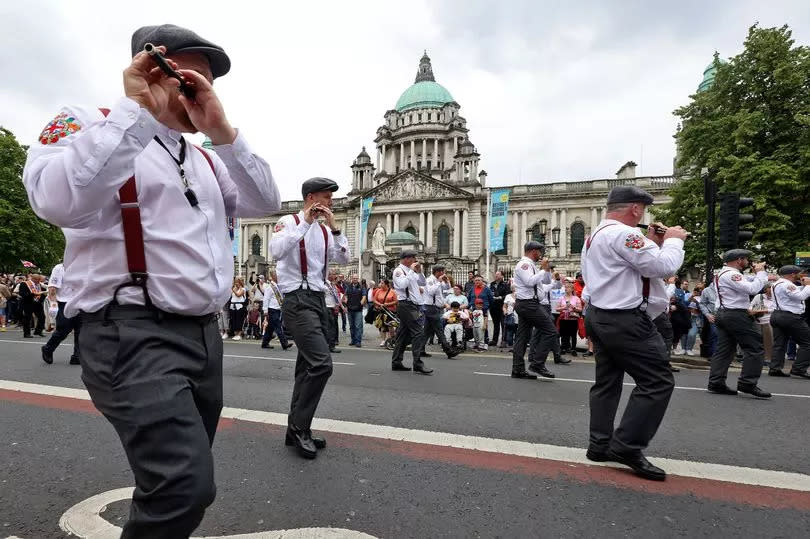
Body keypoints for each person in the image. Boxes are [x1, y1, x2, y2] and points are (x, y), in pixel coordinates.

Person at [23, 23, 280, 536]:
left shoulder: (206, 156)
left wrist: (223, 131)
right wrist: (137, 111)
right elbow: (54, 200)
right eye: (186, 76)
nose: (198, 89)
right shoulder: (88, 123)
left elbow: (266, 203)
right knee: (184, 485)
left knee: (173, 481)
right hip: (130, 333)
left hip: (204, 337)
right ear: (150, 65)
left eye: (207, 82)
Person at [581, 185, 686, 481]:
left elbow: (626, 267)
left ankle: (599, 444)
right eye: (644, 210)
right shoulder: (624, 234)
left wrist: (650, 241)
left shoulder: (594, 237)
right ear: (636, 209)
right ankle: (627, 445)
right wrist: (674, 241)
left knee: (606, 382)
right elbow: (663, 266)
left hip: (600, 315)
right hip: (625, 320)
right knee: (657, 380)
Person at [270, 176, 350, 459]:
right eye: (327, 197)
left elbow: (344, 259)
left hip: (318, 300)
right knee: (321, 364)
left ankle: (295, 430)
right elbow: (276, 251)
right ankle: (300, 428)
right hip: (296, 300)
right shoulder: (289, 222)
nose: (330, 203)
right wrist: (305, 221)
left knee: (306, 368)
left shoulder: (325, 231)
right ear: (311, 197)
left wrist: (336, 228)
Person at [708, 250, 771, 398]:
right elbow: (753, 288)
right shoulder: (732, 274)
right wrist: (761, 272)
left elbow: (747, 282)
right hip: (736, 314)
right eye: (746, 259)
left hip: (724, 314)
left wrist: (759, 275)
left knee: (724, 350)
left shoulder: (722, 274)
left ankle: (716, 382)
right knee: (755, 347)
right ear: (738, 260)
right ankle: (747, 383)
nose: (748, 262)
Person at [511, 242, 561, 380]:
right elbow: (529, 282)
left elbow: (538, 287)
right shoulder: (524, 265)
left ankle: (518, 369)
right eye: (540, 252)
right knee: (551, 331)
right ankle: (537, 364)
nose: (541, 255)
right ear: (533, 251)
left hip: (528, 304)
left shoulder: (530, 265)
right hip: (528, 305)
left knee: (522, 338)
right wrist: (544, 270)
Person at [391, 250, 433, 374]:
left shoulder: (411, 271)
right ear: (406, 259)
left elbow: (422, 283)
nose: (415, 260)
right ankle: (418, 363)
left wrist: (419, 272)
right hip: (406, 305)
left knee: (403, 335)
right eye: (412, 258)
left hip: (413, 305)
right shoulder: (399, 271)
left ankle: (396, 362)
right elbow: (402, 285)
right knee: (418, 332)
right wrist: (411, 271)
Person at [769, 265, 810, 378]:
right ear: (792, 274)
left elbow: (793, 293)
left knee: (780, 344)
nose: (801, 275)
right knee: (807, 342)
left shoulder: (778, 283)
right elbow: (800, 297)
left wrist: (804, 286)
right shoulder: (787, 284)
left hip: (777, 315)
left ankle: (775, 368)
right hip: (789, 317)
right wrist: (808, 285)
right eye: (799, 273)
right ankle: (799, 369)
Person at [41, 262, 82, 365]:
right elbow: (52, 288)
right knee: (63, 329)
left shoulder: (84, 265)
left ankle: (77, 356)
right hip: (65, 302)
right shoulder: (60, 268)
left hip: (81, 302)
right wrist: (54, 304)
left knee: (81, 331)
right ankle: (48, 349)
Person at [420, 264, 457, 359]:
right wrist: (439, 282)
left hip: (435, 308)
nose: (443, 273)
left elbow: (446, 288)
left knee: (427, 331)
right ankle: (448, 351)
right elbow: (431, 291)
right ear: (438, 272)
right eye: (442, 271)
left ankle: (420, 349)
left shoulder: (437, 281)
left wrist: (446, 281)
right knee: (439, 330)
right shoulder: (429, 280)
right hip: (430, 308)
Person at [261, 271, 292, 350]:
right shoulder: (269, 287)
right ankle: (284, 343)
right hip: (272, 309)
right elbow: (266, 299)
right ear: (273, 276)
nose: (279, 277)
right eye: (277, 276)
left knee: (270, 328)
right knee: (278, 326)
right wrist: (265, 311)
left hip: (277, 309)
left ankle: (265, 343)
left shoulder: (278, 286)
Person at [749, 284, 775, 365]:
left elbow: (776, 308)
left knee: (769, 341)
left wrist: (765, 310)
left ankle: (768, 359)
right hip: (757, 321)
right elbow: (750, 307)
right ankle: (757, 358)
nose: (772, 289)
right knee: (756, 341)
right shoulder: (759, 296)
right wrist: (756, 310)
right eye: (770, 288)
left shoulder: (776, 297)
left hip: (769, 321)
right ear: (765, 289)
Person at [557, 281, 582, 355]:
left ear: (572, 289)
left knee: (573, 334)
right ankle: (563, 348)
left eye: (567, 287)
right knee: (564, 334)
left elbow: (580, 309)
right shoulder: (561, 298)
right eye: (565, 287)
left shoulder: (576, 298)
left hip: (573, 318)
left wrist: (573, 307)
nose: (566, 289)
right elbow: (557, 309)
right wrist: (565, 307)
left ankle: (573, 349)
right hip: (564, 317)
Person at [343, 274, 366, 347]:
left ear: (358, 279)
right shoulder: (348, 287)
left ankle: (358, 341)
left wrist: (361, 303)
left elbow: (364, 296)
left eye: (356, 278)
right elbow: (345, 296)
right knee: (351, 326)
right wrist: (345, 304)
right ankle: (353, 340)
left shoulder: (362, 287)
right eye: (354, 278)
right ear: (351, 279)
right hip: (350, 309)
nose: (355, 279)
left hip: (358, 310)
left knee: (358, 326)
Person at [373, 280, 397, 346]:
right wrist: (380, 304)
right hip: (381, 310)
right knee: (382, 326)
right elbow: (374, 300)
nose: (380, 284)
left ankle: (391, 339)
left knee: (390, 326)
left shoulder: (392, 292)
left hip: (390, 311)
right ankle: (383, 340)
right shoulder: (379, 291)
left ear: (386, 284)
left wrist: (387, 304)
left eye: (382, 283)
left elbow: (396, 301)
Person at [488, 271, 509, 347]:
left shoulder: (505, 284)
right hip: (493, 307)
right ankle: (494, 340)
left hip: (502, 306)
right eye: (495, 274)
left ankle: (504, 341)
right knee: (496, 324)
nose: (496, 276)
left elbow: (507, 294)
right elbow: (490, 292)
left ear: (502, 276)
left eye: (498, 275)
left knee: (503, 324)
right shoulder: (492, 284)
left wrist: (501, 297)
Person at [502, 285, 517, 350]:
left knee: (518, 331)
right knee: (509, 331)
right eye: (514, 288)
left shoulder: (521, 296)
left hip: (519, 316)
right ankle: (510, 344)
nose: (515, 289)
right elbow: (504, 306)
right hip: (510, 315)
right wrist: (505, 311)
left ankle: (517, 346)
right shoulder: (508, 296)